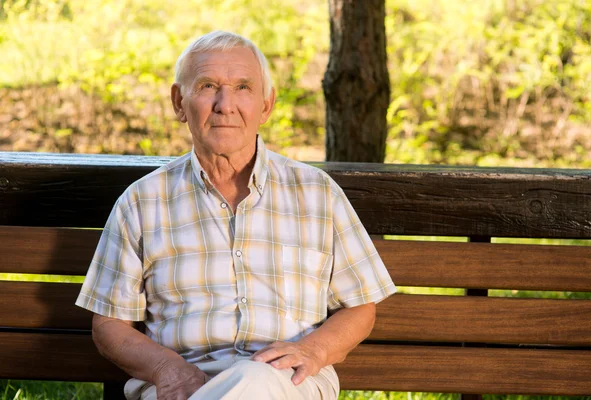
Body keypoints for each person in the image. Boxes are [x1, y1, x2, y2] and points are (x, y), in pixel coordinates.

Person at [76, 30, 396, 400]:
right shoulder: (142, 201)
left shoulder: (317, 193)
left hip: (285, 381)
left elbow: (360, 306)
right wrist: (168, 369)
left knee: (255, 380)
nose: (225, 104)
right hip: (181, 386)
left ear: (266, 105)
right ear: (179, 102)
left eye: (243, 87)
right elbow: (109, 324)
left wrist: (314, 351)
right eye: (208, 86)